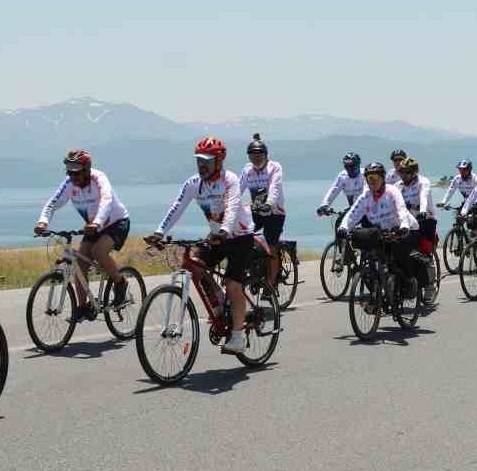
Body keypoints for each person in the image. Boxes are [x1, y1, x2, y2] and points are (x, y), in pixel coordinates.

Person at [147, 136, 258, 356]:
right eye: (199, 160)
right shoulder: (193, 184)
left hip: (240, 236)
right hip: (217, 235)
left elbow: (233, 205)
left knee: (233, 284)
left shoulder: (230, 179)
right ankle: (219, 304)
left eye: (207, 160)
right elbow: (177, 207)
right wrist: (159, 232)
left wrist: (225, 230)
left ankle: (237, 337)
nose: (201, 165)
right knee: (195, 266)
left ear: (219, 160)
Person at [34, 149, 131, 320]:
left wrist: (97, 223)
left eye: (76, 171)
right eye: (69, 171)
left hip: (116, 222)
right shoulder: (69, 183)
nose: (73, 176)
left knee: (98, 252)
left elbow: (106, 200)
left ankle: (120, 282)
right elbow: (52, 203)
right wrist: (43, 222)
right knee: (79, 263)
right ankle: (83, 306)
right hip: (93, 226)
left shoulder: (98, 178)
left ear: (86, 169)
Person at [339, 161, 428, 299]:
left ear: (383, 178)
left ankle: (409, 283)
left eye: (376, 178)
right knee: (373, 256)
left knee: (399, 255)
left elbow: (401, 210)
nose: (373, 182)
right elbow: (352, 214)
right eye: (370, 178)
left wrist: (404, 226)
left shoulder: (392, 191)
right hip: (384, 232)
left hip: (407, 230)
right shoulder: (365, 197)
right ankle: (378, 296)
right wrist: (344, 227)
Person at [240, 134, 288, 290]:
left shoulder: (274, 167)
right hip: (257, 211)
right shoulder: (247, 170)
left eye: (259, 154)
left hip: (275, 212)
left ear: (266, 155)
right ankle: (252, 268)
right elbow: (237, 190)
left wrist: (269, 203)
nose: (256, 158)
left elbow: (275, 187)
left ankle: (270, 284)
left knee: (270, 247)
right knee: (242, 237)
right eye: (252, 155)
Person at [395, 156, 437, 261]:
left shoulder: (423, 182)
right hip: (407, 220)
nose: (403, 175)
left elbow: (424, 197)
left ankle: (428, 262)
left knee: (423, 250)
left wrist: (422, 210)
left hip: (425, 218)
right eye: (401, 172)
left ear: (414, 173)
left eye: (406, 172)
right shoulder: (398, 185)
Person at [318, 152, 368, 226]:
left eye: (352, 166)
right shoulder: (342, 176)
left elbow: (367, 191)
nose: (350, 169)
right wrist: (324, 205)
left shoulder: (365, 174)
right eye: (347, 167)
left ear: (358, 165)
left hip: (368, 209)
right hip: (353, 210)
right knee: (340, 225)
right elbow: (333, 190)